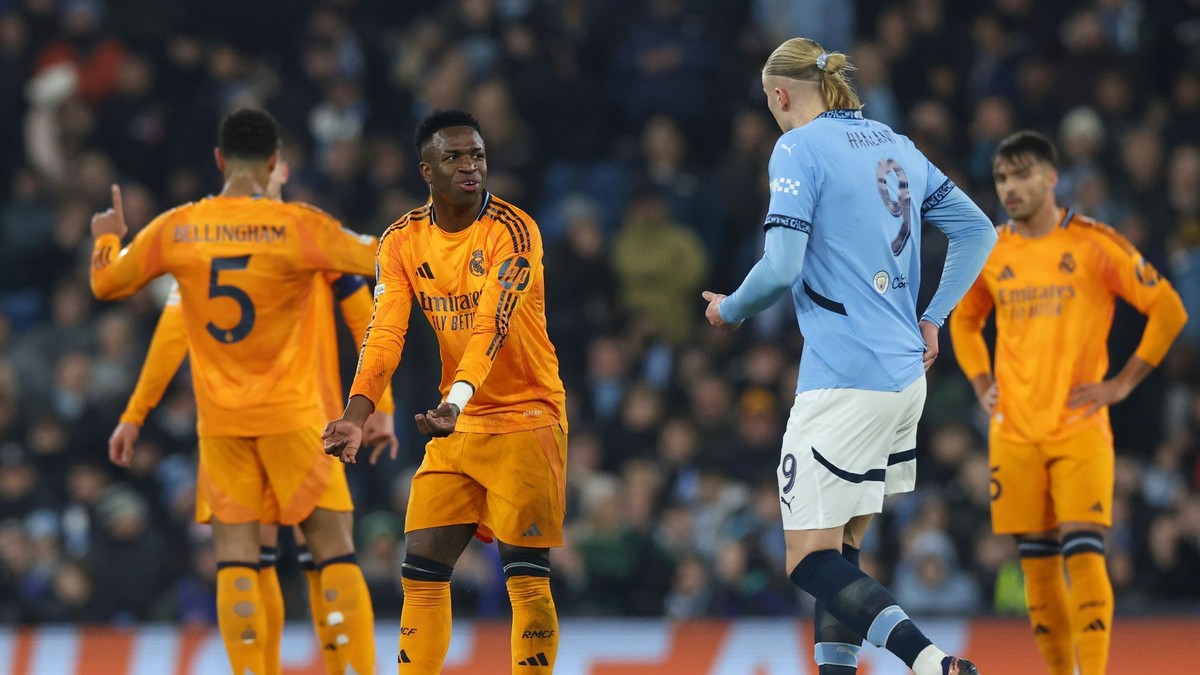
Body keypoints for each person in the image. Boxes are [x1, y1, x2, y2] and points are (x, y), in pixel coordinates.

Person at [701, 39, 997, 675]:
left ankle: (930, 662)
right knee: (843, 553)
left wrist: (730, 309)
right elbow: (979, 231)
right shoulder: (897, 145)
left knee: (809, 560)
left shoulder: (796, 149)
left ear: (779, 95)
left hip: (842, 382)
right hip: (902, 378)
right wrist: (932, 316)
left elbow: (781, 268)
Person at [89, 108, 380, 674]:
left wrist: (106, 240)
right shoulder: (300, 227)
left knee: (238, 563)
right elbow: (380, 258)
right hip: (295, 415)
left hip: (221, 422)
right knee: (332, 548)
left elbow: (107, 283)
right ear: (274, 162)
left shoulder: (179, 228)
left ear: (219, 160)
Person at [322, 108, 568, 673]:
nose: (469, 166)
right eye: (453, 156)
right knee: (421, 569)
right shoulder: (402, 240)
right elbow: (383, 335)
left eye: (477, 155)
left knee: (526, 577)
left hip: (525, 417)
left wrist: (453, 403)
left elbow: (491, 328)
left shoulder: (514, 230)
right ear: (426, 170)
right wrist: (355, 415)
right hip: (455, 423)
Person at [948, 131, 1188, 675]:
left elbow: (1168, 308)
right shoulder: (990, 251)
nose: (1010, 187)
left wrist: (1122, 384)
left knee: (1084, 553)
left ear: (1051, 178)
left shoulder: (1092, 243)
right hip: (1013, 432)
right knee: (1036, 568)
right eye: (1002, 178)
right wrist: (980, 379)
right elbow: (964, 320)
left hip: (1079, 427)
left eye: (1022, 174)